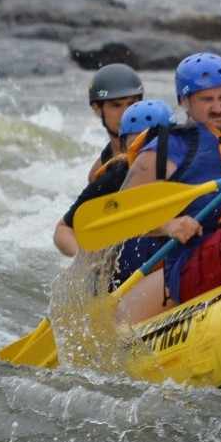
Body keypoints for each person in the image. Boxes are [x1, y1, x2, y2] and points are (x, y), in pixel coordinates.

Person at [122, 53, 221, 307]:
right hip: (192, 265)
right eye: (207, 100)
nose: (218, 107)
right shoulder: (167, 148)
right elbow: (124, 214)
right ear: (184, 100)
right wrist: (168, 225)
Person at [55, 99, 175, 308]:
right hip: (123, 281)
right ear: (123, 147)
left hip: (169, 271)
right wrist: (89, 257)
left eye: (155, 143)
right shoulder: (114, 180)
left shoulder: (191, 167)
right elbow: (63, 229)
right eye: (138, 145)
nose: (148, 154)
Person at [84, 63, 145, 180]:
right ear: (97, 109)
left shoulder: (164, 144)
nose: (126, 113)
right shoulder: (98, 172)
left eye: (131, 104)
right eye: (116, 106)